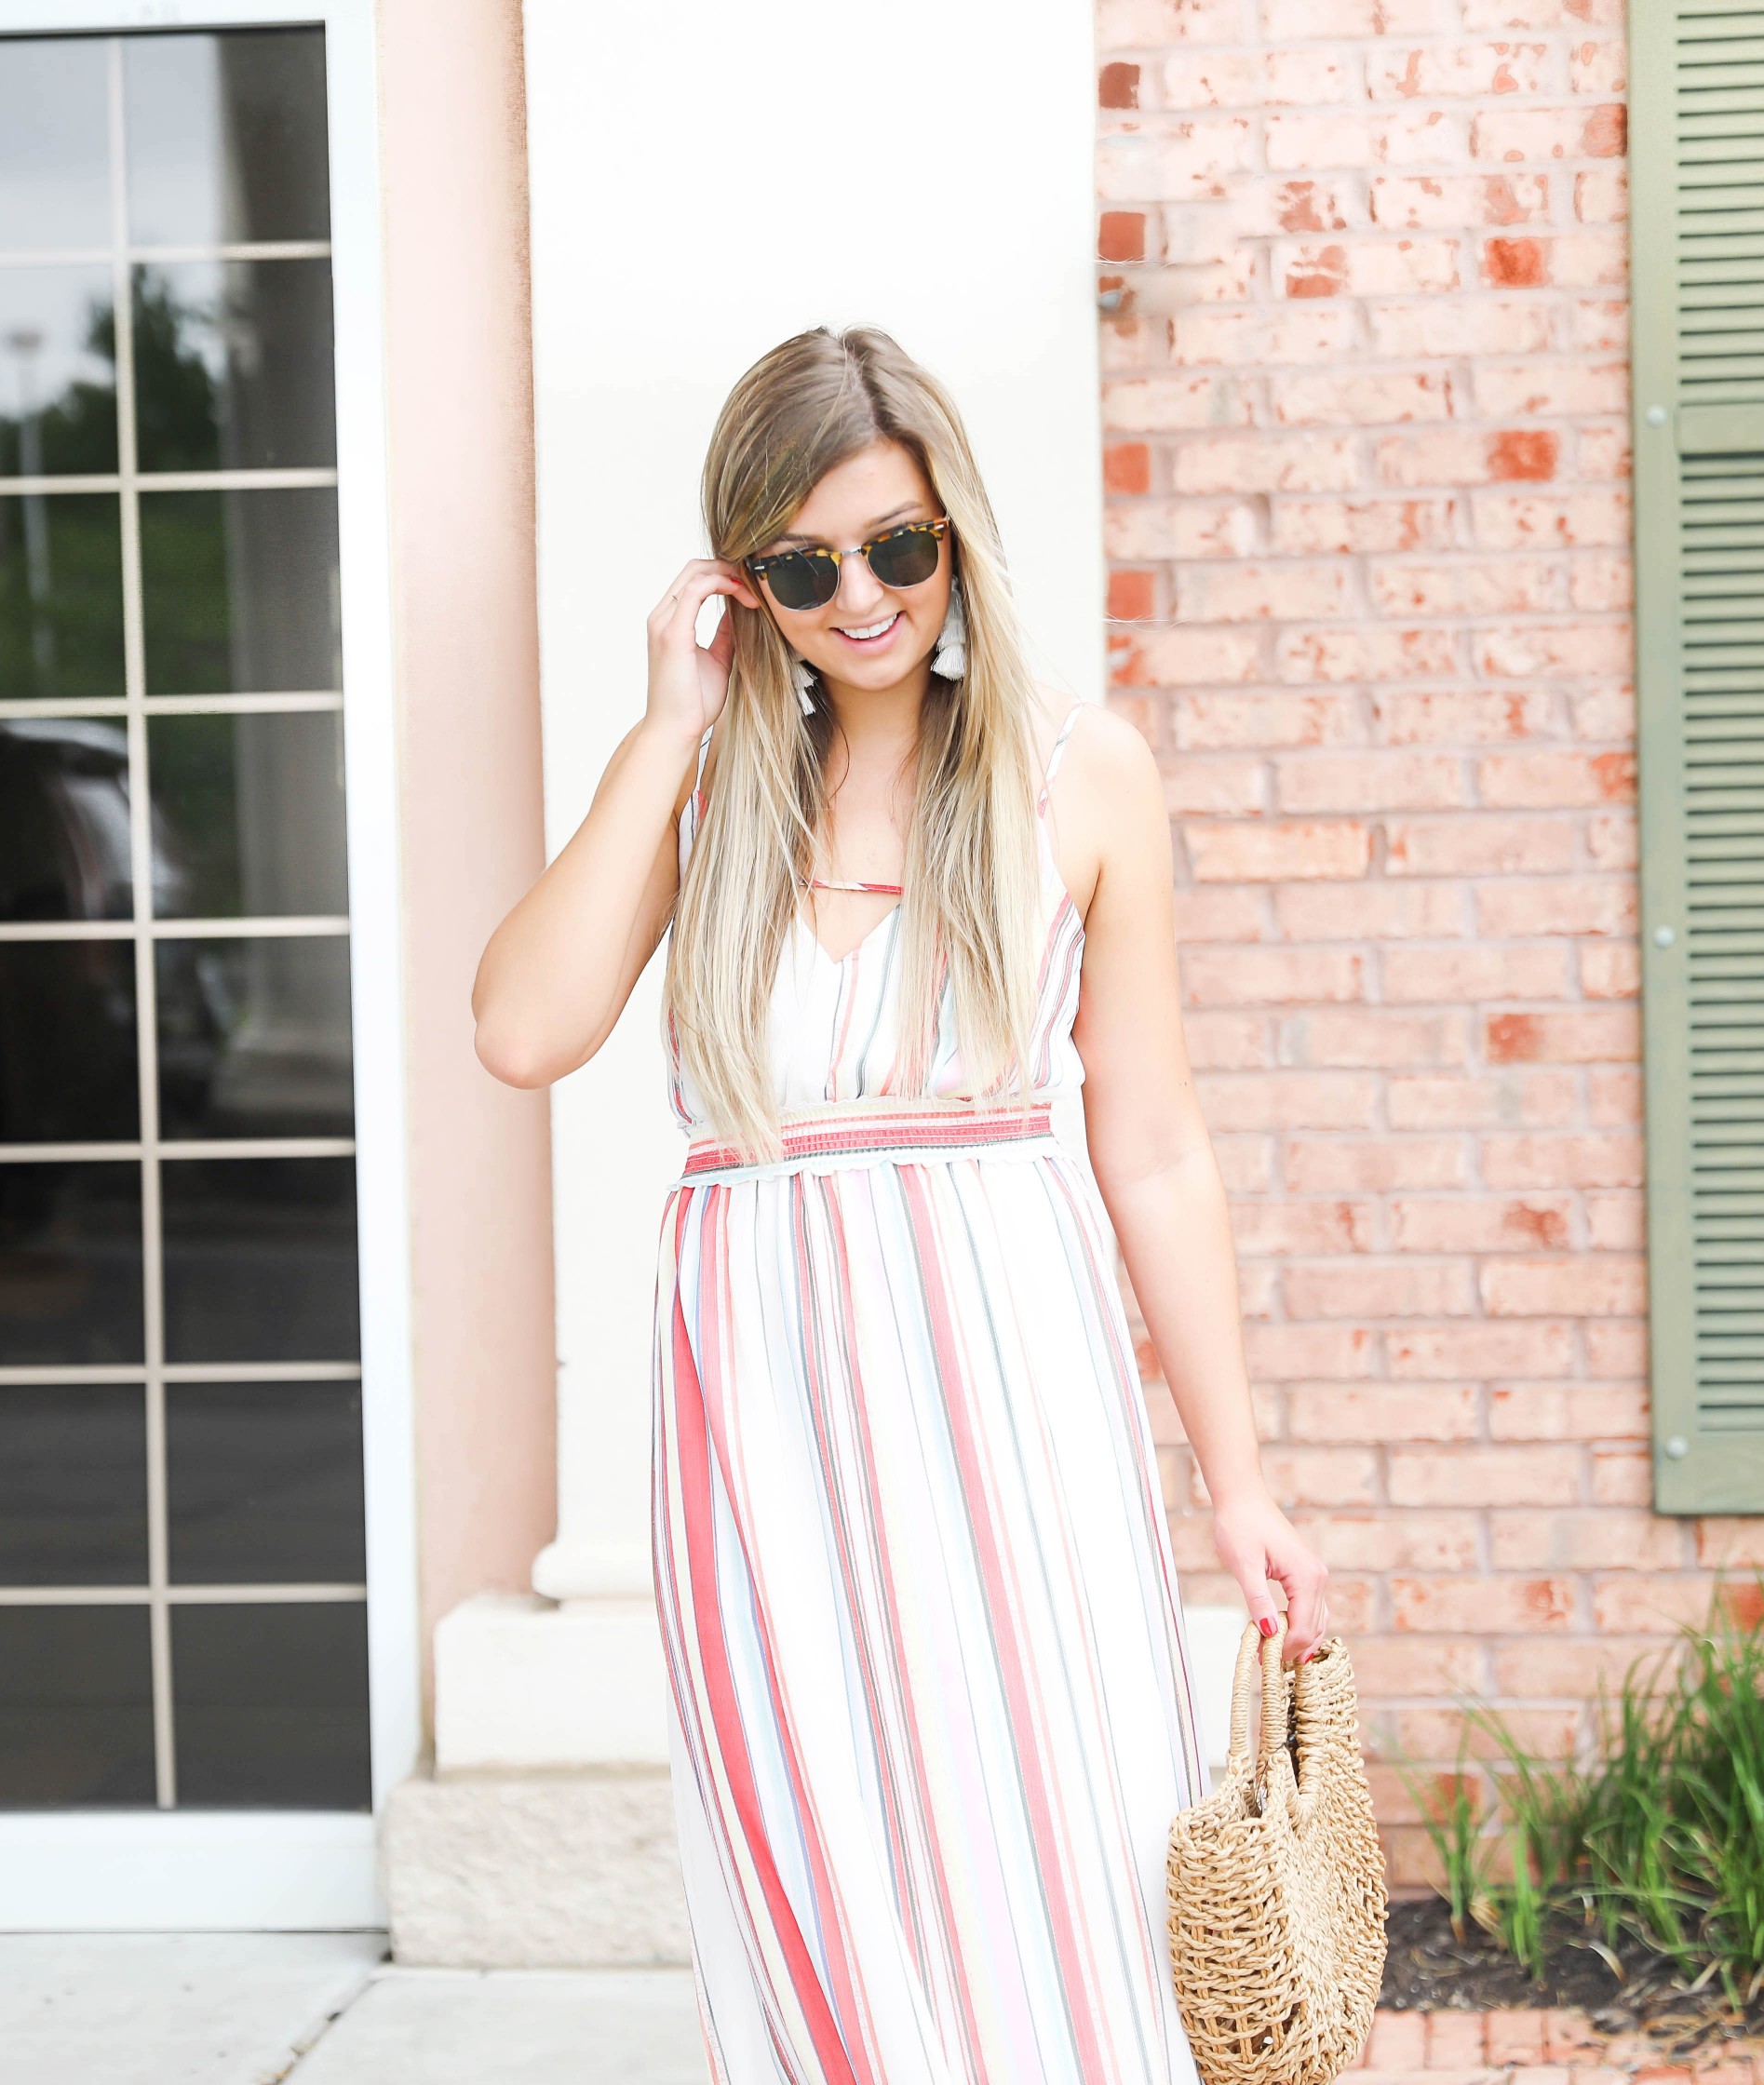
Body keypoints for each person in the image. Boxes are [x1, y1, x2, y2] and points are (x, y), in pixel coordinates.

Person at [473, 326, 1327, 2082]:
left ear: (957, 537)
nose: (861, 596)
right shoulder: (707, 794)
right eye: (803, 565)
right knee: (818, 1862)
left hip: (1015, 1407)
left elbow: (1152, 1139)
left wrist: (1240, 1481)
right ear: (747, 585)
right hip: (761, 1427)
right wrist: (663, 731)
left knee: (1063, 1852)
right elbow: (520, 1027)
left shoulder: (1079, 775)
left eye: (896, 546)